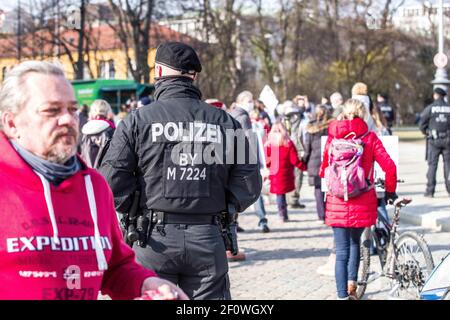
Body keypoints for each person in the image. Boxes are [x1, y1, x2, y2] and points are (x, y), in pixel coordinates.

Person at [0, 60, 187, 300]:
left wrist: (146, 283)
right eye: (52, 110)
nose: (68, 120)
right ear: (11, 123)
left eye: (72, 109)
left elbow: (115, 266)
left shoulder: (95, 186)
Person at [99, 42, 261, 300]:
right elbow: (249, 183)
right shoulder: (225, 121)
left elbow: (109, 181)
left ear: (159, 72)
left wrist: (137, 206)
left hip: (152, 238)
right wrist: (222, 206)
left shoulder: (137, 121)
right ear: (194, 76)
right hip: (207, 237)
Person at [319, 99, 397, 300]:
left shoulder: (332, 137)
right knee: (356, 245)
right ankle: (352, 285)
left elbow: (322, 171)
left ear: (343, 114)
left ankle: (342, 296)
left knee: (341, 251)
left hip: (337, 201)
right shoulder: (370, 137)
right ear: (364, 115)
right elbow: (390, 167)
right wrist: (389, 191)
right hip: (363, 200)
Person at [265, 121, 307, 222]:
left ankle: (282, 214)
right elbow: (294, 160)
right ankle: (283, 214)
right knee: (282, 194)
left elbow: (267, 160)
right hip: (286, 173)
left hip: (275, 173)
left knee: (280, 194)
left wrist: (268, 167)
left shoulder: (269, 144)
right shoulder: (288, 143)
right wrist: (304, 167)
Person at [419, 87, 450, 197]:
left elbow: (421, 124)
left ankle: (430, 190)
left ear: (435, 95)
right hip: (448, 140)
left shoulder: (430, 108)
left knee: (432, 165)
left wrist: (426, 132)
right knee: (448, 165)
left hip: (434, 140)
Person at [302, 105, 331, 222]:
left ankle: (321, 215)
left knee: (318, 190)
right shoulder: (331, 126)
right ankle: (328, 213)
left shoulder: (310, 128)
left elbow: (307, 148)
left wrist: (304, 160)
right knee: (328, 189)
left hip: (314, 162)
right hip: (328, 160)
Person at [80, 99, 116, 169]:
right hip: (106, 174)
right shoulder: (112, 130)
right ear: (107, 112)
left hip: (88, 174)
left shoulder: (84, 132)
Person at [284, 100, 307, 209]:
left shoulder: (283, 119)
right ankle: (293, 199)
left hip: (285, 147)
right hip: (297, 147)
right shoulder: (299, 116)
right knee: (298, 175)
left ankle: (289, 199)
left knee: (289, 174)